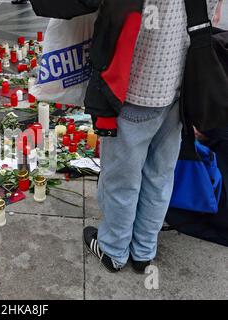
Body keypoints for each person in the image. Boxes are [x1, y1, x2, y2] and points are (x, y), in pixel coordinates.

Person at [83, 0, 223, 273]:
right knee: (160, 174)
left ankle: (113, 249)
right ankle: (144, 251)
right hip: (182, 84)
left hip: (137, 84)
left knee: (122, 177)